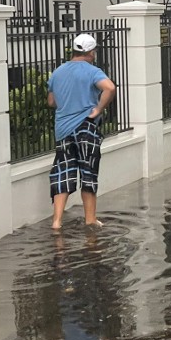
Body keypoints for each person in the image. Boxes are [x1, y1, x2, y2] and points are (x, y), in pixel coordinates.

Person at [48, 33, 116, 230]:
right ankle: (90, 219)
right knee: (88, 171)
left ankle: (57, 221)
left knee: (63, 172)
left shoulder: (58, 72)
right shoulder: (92, 71)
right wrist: (98, 109)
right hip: (86, 127)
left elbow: (51, 101)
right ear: (91, 52)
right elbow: (110, 88)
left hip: (62, 129)